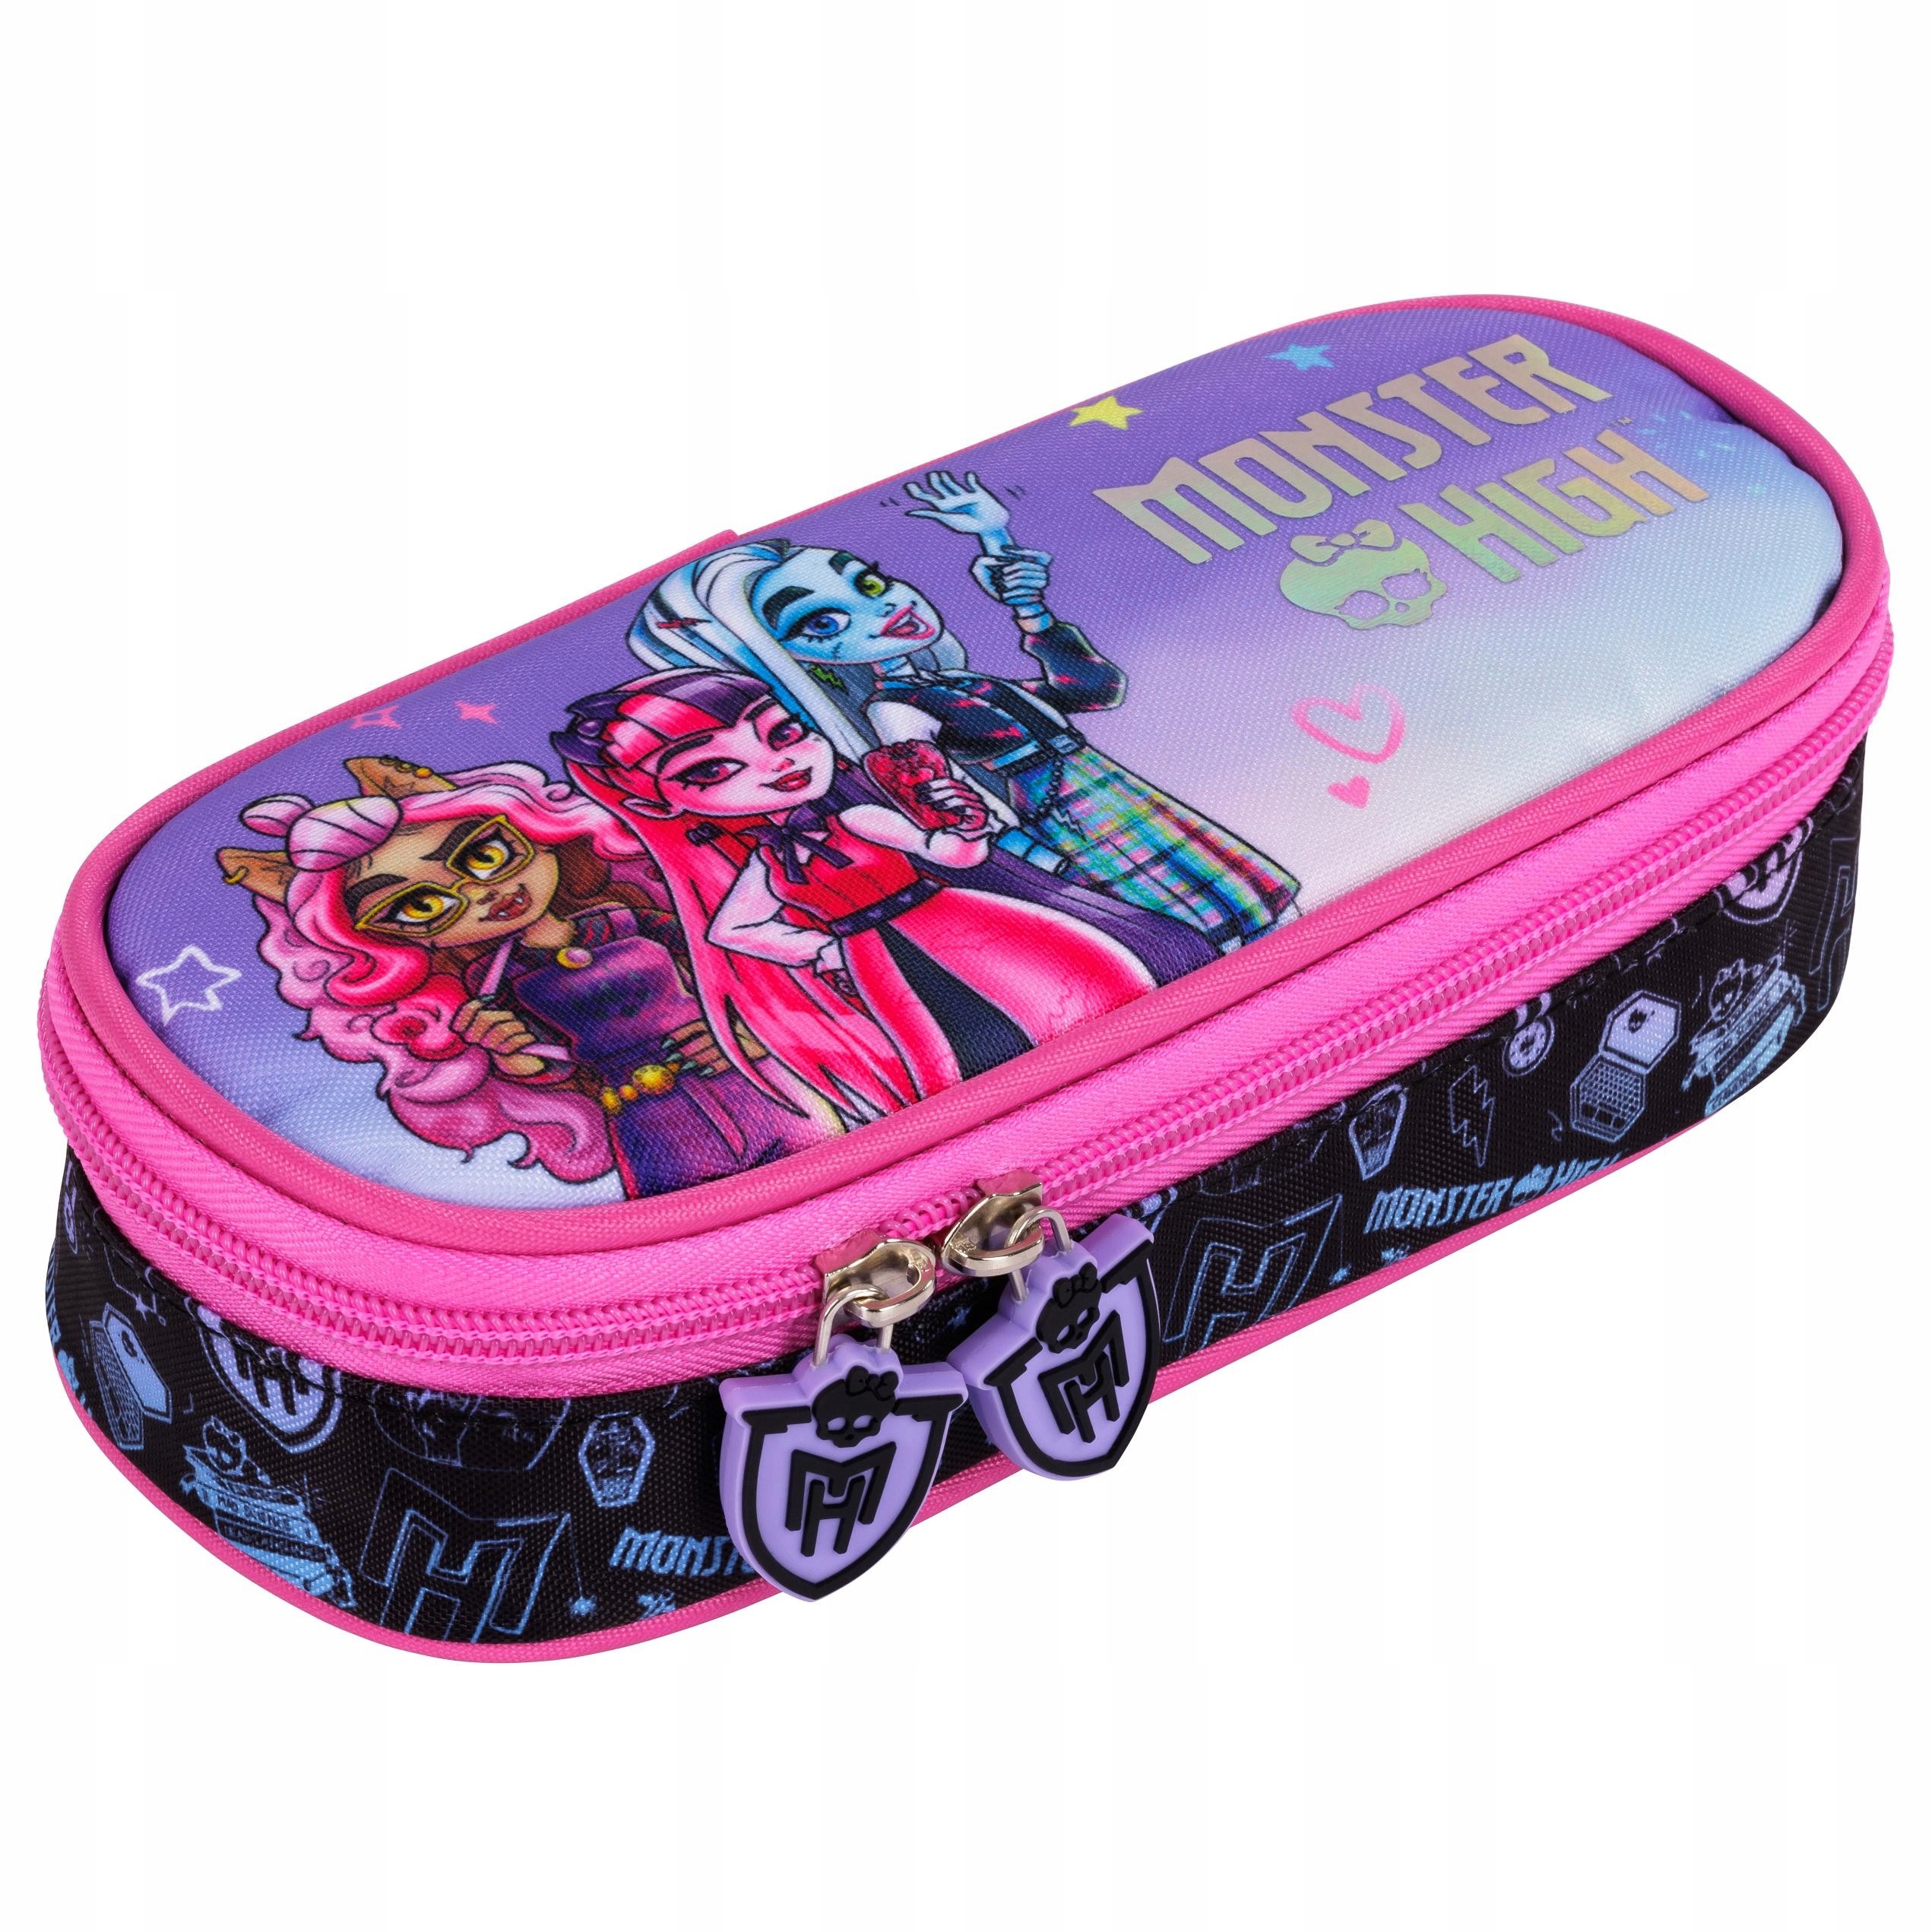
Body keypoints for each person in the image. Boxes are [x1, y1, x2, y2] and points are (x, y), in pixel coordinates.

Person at [626, 470, 1298, 951]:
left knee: (1254, 911)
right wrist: (1062, 873)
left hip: (1115, 800)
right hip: (1077, 829)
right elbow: (956, 819)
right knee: (1210, 933)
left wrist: (1023, 596)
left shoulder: (952, 683)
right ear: (792, 659)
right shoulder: (895, 714)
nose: (883, 607)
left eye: (868, 582)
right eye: (823, 621)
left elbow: (1093, 691)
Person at [552, 670, 1163, 1118]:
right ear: (653, 803)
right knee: (945, 1047)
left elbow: (954, 856)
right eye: (711, 771)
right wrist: (818, 951)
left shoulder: (860, 819)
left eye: (786, 733)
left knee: (1063, 984)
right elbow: (731, 930)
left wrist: (963, 823)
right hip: (872, 960)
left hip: (957, 918)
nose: (777, 764)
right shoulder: (770, 860)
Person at [219, 755, 826, 1196]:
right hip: (645, 1119)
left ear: (537, 833)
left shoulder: (632, 920)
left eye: (484, 854)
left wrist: (749, 1034)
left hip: (758, 1080)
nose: (483, 895)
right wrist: (511, 1055)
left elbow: (742, 974)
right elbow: (551, 1069)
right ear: (393, 943)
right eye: (421, 906)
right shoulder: (495, 984)